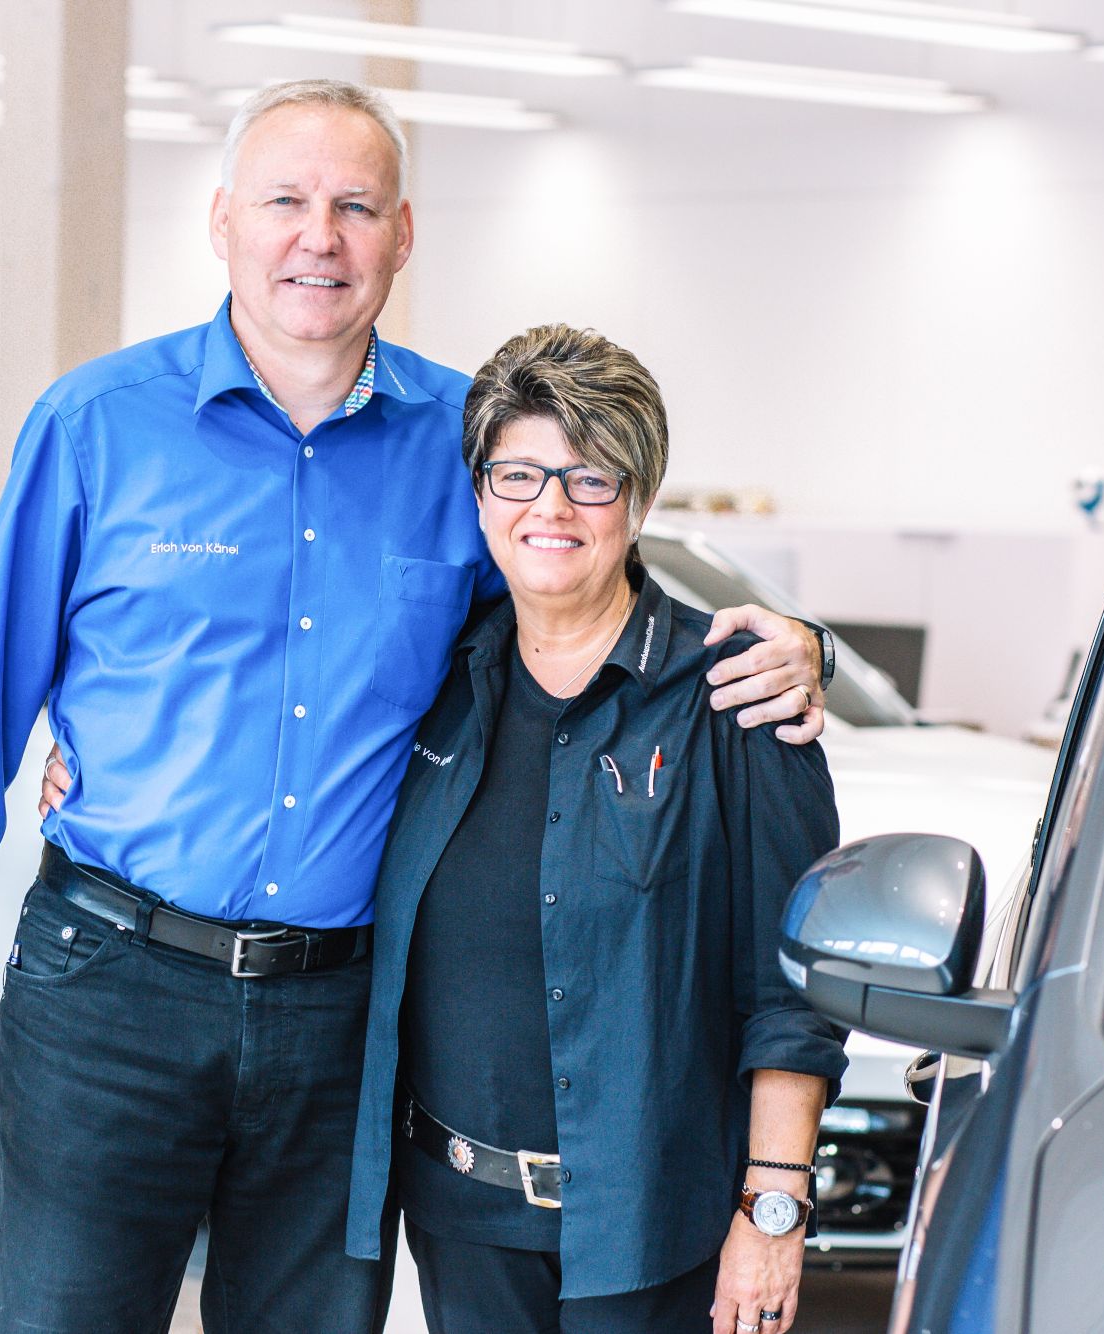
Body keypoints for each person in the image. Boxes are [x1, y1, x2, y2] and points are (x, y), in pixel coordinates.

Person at [0, 79, 827, 1334]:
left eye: (355, 206)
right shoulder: (97, 426)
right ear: (221, 222)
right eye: (284, 202)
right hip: (110, 991)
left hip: (340, 1023)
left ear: (401, 236)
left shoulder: (464, 444)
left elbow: (579, 596)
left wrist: (795, 645)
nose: (319, 237)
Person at [343, 325, 846, 1334]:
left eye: (590, 478)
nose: (551, 508)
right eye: (518, 475)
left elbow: (791, 993)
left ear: (639, 499)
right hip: (462, 1224)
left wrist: (772, 1210)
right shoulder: (435, 681)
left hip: (655, 1231)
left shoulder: (732, 699)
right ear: (480, 494)